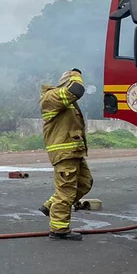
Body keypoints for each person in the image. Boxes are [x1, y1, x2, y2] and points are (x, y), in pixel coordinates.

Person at [36, 69, 92, 240]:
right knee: (66, 191)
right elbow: (77, 90)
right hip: (64, 153)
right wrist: (76, 73)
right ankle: (59, 230)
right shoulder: (51, 97)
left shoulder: (66, 101)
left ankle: (51, 206)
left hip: (74, 151)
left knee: (85, 183)